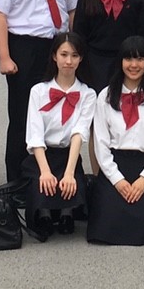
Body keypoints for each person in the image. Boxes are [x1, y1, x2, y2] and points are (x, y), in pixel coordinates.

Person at [0, 0, 78, 184]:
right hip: (24, 48)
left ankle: (54, 176)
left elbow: (72, 9)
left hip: (56, 46)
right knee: (22, 115)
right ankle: (17, 181)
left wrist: (72, 48)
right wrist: (5, 57)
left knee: (57, 113)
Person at [87, 38, 144, 246]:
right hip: (115, 166)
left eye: (140, 58)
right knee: (107, 223)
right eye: (128, 58)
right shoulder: (105, 96)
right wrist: (118, 180)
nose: (134, 65)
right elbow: (100, 143)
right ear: (120, 61)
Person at [23, 33, 97, 238]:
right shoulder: (38, 91)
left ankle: (67, 212)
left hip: (68, 155)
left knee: (70, 183)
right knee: (42, 184)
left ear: (81, 58)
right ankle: (44, 213)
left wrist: (69, 173)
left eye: (74, 55)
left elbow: (79, 134)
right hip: (41, 156)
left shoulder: (88, 94)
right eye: (63, 54)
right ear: (54, 56)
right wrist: (45, 172)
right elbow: (35, 134)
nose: (68, 61)